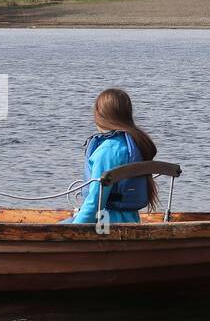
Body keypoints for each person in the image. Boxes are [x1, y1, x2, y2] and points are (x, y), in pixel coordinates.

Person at [63, 88, 158, 225]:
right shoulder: (136, 143)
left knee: (49, 231)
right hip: (131, 221)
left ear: (99, 115)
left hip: (104, 226)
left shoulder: (107, 151)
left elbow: (95, 203)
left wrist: (74, 230)